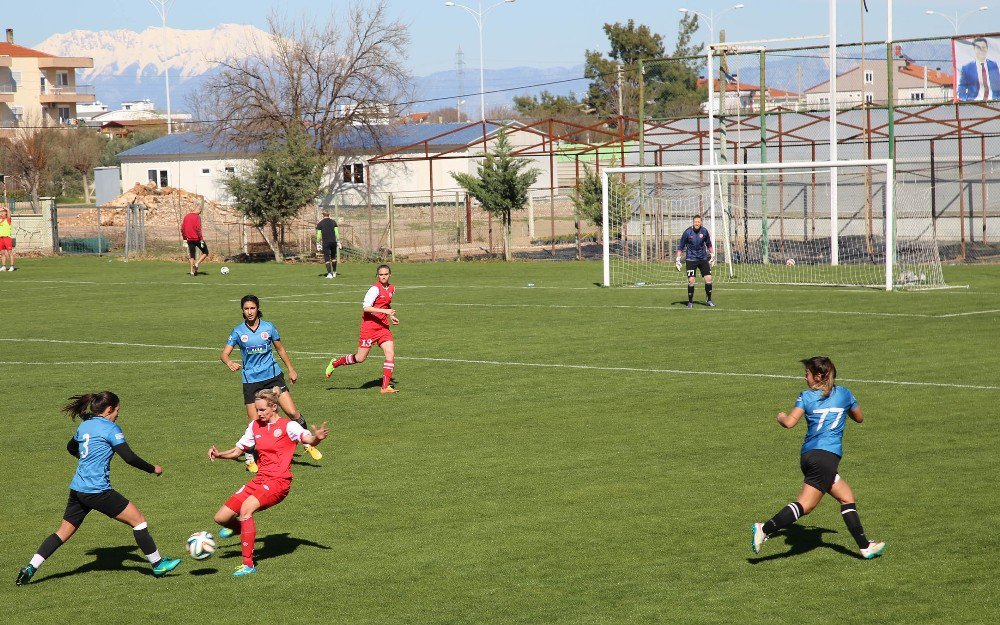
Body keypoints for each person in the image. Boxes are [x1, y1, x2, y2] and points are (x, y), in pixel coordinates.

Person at [16, 392, 181, 586]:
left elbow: (70, 448)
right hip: (98, 491)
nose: (118, 415)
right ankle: (158, 564)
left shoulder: (84, 425)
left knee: (62, 533)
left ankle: (30, 568)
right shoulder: (110, 429)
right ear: (109, 409)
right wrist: (154, 469)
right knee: (139, 521)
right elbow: (129, 458)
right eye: (117, 411)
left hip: (78, 490)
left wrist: (86, 458)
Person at [751, 357, 885, 560]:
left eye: (807, 374)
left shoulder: (806, 397)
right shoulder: (844, 394)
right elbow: (859, 418)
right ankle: (765, 528)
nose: (805, 377)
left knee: (847, 497)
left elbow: (788, 423)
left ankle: (865, 546)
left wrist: (780, 416)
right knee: (806, 505)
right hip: (825, 459)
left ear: (818, 376)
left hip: (809, 456)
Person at [208, 387, 328, 576]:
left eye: (262, 410)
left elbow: (308, 438)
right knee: (221, 518)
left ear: (274, 407)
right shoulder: (255, 426)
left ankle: (248, 564)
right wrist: (220, 454)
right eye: (257, 410)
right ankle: (245, 532)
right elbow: (238, 451)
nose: (259, 413)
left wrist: (317, 439)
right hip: (260, 479)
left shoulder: (289, 426)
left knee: (246, 510)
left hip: (279, 482)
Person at [221, 294, 323, 470]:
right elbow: (224, 354)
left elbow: (280, 349)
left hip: (273, 377)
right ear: (242, 311)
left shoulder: (269, 327)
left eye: (252, 308)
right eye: (246, 309)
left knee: (292, 412)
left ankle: (308, 445)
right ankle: (250, 459)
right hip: (251, 381)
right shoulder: (238, 331)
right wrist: (229, 362)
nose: (249, 312)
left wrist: (291, 369)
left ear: (258, 308)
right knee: (254, 422)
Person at [325, 264, 400, 393]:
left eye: (386, 274)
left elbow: (385, 304)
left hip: (383, 327)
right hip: (369, 328)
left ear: (390, 275)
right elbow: (366, 307)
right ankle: (335, 363)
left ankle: (385, 387)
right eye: (381, 274)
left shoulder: (392, 288)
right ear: (377, 275)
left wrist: (391, 316)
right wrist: (386, 312)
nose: (383, 276)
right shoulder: (374, 289)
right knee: (360, 358)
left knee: (390, 354)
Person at [675, 215, 716, 308]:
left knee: (709, 279)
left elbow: (709, 244)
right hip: (691, 259)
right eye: (695, 222)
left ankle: (709, 300)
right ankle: (690, 302)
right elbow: (681, 247)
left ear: (701, 222)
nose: (697, 223)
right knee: (691, 280)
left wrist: (712, 254)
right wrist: (677, 259)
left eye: (698, 222)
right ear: (693, 222)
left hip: (703, 259)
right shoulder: (687, 232)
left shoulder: (704, 231)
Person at [958, 37, 1000, 102]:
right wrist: (967, 98)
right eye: (978, 47)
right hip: (974, 102)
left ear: (987, 48)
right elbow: (961, 87)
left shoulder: (994, 65)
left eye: (983, 47)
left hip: (994, 101)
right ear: (974, 49)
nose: (981, 50)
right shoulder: (967, 68)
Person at [181, 205, 209, 276]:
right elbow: (198, 229)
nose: (200, 213)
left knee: (192, 256)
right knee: (205, 252)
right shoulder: (197, 217)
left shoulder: (186, 216)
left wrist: (184, 239)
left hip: (189, 239)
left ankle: (192, 271)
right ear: (199, 210)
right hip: (197, 239)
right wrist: (201, 239)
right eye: (200, 211)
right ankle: (197, 263)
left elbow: (182, 228)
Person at [315, 210, 340, 279]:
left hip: (326, 242)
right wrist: (338, 241)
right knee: (333, 257)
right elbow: (337, 233)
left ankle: (329, 274)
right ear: (329, 215)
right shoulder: (333, 222)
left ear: (322, 215)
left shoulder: (320, 223)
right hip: (333, 242)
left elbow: (319, 235)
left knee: (327, 258)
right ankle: (334, 272)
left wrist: (318, 243)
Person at [0, 206, 14, 272]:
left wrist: (5, 208)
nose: (1, 213)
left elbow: (8, 211)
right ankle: (3, 266)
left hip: (7, 238)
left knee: (9, 253)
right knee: (2, 253)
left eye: (3, 212)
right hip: (1, 238)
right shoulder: (0, 220)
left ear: (5, 213)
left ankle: (12, 266)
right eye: (0, 212)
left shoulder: (8, 219)